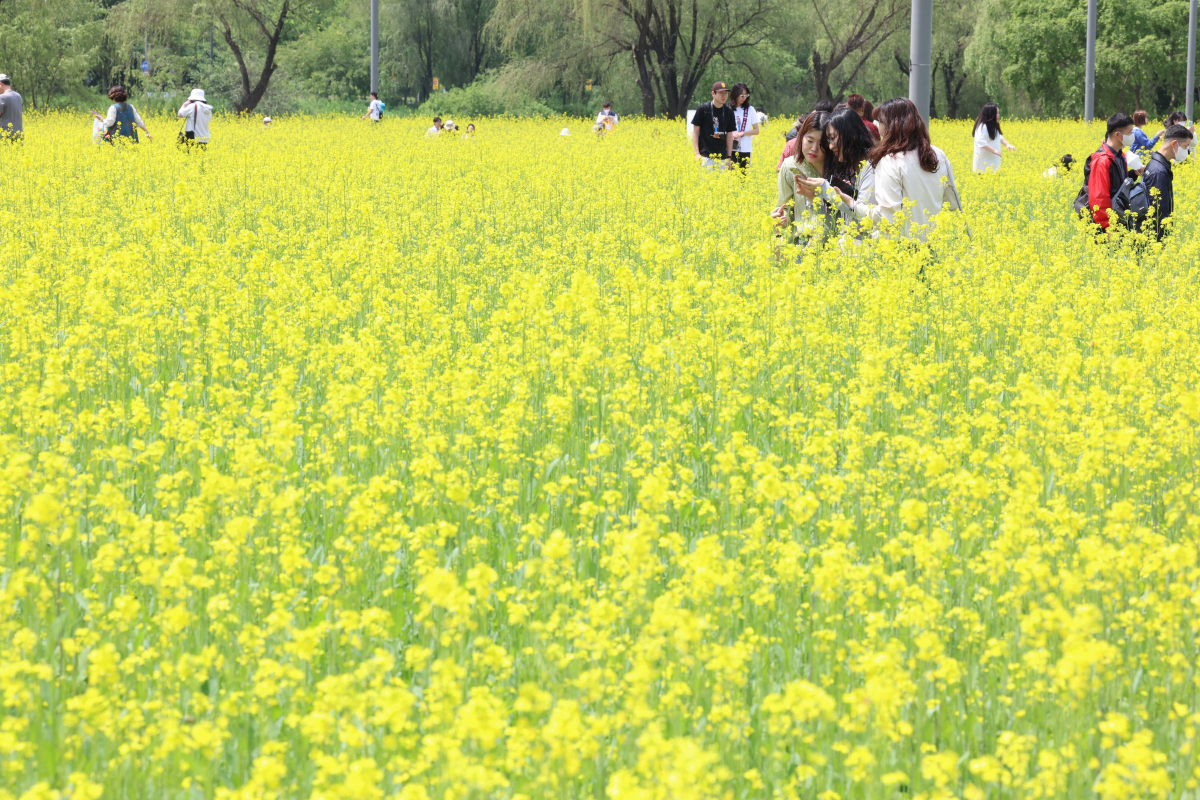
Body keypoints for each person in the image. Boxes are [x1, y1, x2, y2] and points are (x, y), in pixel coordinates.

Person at [812, 97, 963, 242]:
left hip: (901, 249)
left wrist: (851, 203)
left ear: (892, 125)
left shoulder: (890, 161)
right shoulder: (938, 154)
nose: (879, 128)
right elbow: (953, 205)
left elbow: (887, 218)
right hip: (933, 245)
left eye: (881, 122)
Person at [794, 107, 876, 234]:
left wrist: (826, 189)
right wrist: (812, 198)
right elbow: (832, 224)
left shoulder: (871, 169)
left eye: (833, 138)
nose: (830, 146)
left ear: (851, 135)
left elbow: (865, 217)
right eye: (829, 140)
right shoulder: (845, 168)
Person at [772, 111, 830, 243]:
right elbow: (785, 206)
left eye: (822, 144)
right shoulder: (790, 166)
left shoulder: (838, 167)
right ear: (801, 137)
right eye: (809, 140)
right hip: (802, 244)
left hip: (834, 245)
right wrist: (780, 217)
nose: (814, 148)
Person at [1080, 112, 1134, 231]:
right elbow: (1099, 197)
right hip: (1107, 226)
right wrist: (1107, 227)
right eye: (1130, 132)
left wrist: (1134, 174)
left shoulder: (1119, 156)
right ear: (1117, 135)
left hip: (1118, 219)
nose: (1132, 135)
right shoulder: (1102, 161)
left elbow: (1119, 186)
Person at [1140, 123, 1192, 240]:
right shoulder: (1158, 171)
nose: (1187, 151)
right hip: (1155, 238)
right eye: (1185, 146)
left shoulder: (1155, 164)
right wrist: (1162, 240)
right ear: (1174, 144)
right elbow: (1159, 210)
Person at [691, 81, 735, 169]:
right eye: (721, 93)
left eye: (726, 93)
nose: (724, 96)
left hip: (722, 158)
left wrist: (729, 157)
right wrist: (697, 153)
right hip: (705, 157)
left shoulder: (729, 112)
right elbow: (695, 132)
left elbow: (730, 135)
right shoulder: (703, 109)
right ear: (713, 93)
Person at [972, 102, 1016, 173]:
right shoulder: (983, 127)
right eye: (996, 113)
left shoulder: (992, 126)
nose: (998, 115)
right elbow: (980, 141)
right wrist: (994, 151)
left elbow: (999, 137)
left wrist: (1007, 144)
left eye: (998, 113)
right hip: (983, 168)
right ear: (990, 114)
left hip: (993, 167)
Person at [729, 82, 760, 170]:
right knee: (731, 177)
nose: (744, 98)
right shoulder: (728, 109)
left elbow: (756, 131)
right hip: (730, 148)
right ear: (735, 94)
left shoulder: (750, 109)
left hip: (745, 149)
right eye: (741, 95)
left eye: (746, 95)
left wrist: (742, 133)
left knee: (743, 178)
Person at [0, 74, 23, 142]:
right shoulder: (18, 96)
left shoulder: (2, 97)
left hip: (6, 135)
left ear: (1, 84)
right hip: (19, 134)